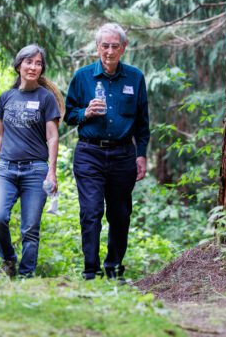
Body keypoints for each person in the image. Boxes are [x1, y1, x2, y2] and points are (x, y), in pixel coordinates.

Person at [64, 23, 149, 281]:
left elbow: (143, 123)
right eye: (105, 46)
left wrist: (141, 154)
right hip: (89, 153)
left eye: (115, 46)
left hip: (124, 155)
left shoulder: (135, 78)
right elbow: (68, 115)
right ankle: (91, 270)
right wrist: (85, 113)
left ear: (124, 48)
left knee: (120, 214)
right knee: (91, 212)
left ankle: (114, 269)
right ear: (97, 47)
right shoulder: (82, 76)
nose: (109, 51)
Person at [0, 44, 60, 278]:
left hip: (36, 170)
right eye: (29, 62)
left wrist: (52, 172)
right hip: (6, 169)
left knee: (30, 229)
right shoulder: (6, 97)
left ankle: (26, 278)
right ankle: (8, 261)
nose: (33, 67)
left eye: (38, 63)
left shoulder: (46, 99)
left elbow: (52, 136)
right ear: (18, 65)